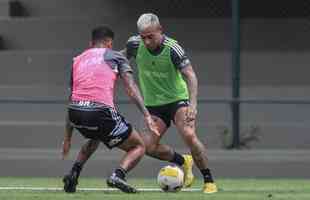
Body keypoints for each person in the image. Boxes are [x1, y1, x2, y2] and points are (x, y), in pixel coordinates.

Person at [121, 13, 218, 193]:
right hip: (153, 105)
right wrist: (101, 57)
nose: (147, 41)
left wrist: (193, 105)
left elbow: (191, 76)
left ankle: (209, 180)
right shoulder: (134, 44)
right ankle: (183, 161)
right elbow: (120, 58)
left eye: (151, 36)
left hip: (177, 101)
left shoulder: (173, 48)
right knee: (146, 146)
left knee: (189, 134)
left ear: (160, 30)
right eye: (143, 37)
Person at [61, 25, 158, 194]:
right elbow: (131, 88)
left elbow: (71, 99)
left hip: (75, 113)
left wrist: (67, 138)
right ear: (109, 43)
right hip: (100, 112)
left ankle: (73, 174)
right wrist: (147, 115)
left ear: (91, 43)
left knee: (95, 137)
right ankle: (118, 175)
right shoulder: (115, 56)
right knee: (139, 145)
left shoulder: (77, 59)